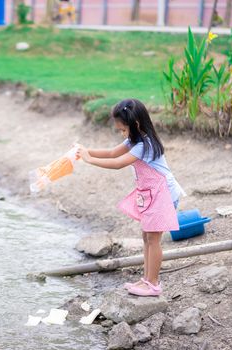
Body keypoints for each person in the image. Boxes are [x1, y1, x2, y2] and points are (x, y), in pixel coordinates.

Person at [76, 98, 185, 297]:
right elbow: (111, 153)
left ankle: (153, 284)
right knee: (147, 237)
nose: (122, 134)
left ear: (135, 125)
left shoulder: (145, 145)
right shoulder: (135, 139)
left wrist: (90, 160)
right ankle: (147, 279)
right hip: (152, 194)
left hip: (163, 194)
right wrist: (85, 151)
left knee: (153, 239)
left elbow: (118, 163)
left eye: (122, 130)